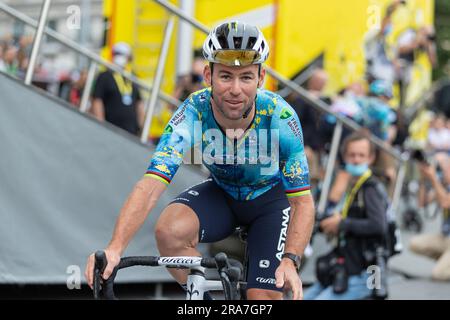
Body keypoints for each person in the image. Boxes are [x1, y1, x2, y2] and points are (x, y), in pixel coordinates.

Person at [85, 21, 315, 300]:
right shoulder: (193, 111)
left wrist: (290, 260)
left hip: (270, 201)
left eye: (246, 77)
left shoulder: (280, 117)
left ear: (261, 77)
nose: (235, 89)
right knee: (169, 232)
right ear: (208, 74)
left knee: (261, 296)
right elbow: (150, 185)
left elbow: (302, 201)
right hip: (222, 193)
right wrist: (115, 248)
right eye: (226, 76)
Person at [304, 132, 390, 300]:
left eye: (361, 155)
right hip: (343, 268)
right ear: (344, 157)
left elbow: (379, 226)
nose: (356, 160)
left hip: (362, 274)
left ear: (370, 158)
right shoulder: (351, 184)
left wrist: (342, 224)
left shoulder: (370, 188)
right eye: (352, 155)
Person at [410, 155, 450, 281]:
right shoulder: (444, 186)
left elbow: (445, 203)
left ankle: (445, 265)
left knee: (438, 275)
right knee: (415, 244)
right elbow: (422, 203)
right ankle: (446, 261)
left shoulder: (440, 185)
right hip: (445, 238)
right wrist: (423, 178)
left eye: (444, 167)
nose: (442, 171)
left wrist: (433, 178)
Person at [91, 42, 145, 135]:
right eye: (117, 54)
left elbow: (139, 104)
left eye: (123, 55)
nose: (120, 57)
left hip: (131, 131)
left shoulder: (131, 77)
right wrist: (100, 125)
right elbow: (97, 101)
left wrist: (141, 128)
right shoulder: (104, 76)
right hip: (110, 129)